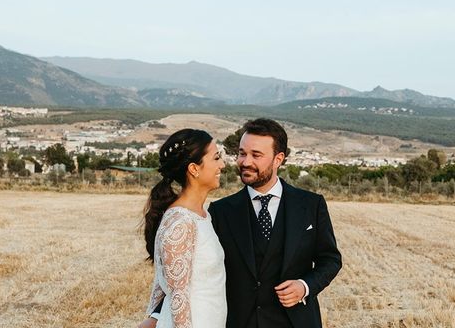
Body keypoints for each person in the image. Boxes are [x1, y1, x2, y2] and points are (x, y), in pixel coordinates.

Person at [141, 118, 342, 328]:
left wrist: (305, 286)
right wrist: (156, 316)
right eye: (242, 153)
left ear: (278, 159)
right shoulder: (219, 212)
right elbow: (186, 270)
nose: (245, 162)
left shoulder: (311, 204)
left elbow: (330, 259)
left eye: (256, 155)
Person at [141, 128, 226, 328]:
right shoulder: (181, 223)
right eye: (215, 158)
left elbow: (163, 283)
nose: (222, 164)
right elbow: (178, 297)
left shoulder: (202, 215)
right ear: (194, 169)